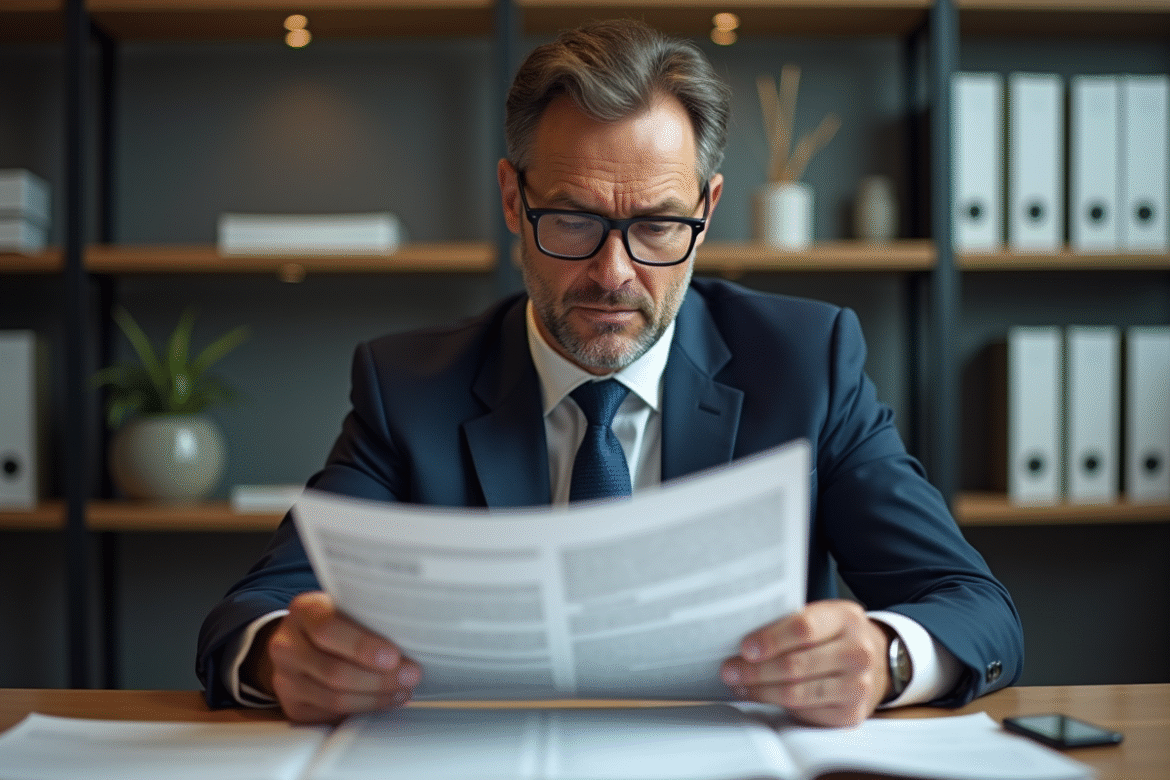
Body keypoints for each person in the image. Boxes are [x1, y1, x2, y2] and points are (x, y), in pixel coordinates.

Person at [197, 19, 1023, 727]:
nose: (614, 275)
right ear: (514, 202)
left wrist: (885, 658)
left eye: (660, 226)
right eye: (574, 220)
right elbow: (251, 611)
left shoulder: (809, 364)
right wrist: (278, 656)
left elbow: (974, 607)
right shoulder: (409, 385)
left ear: (707, 211)